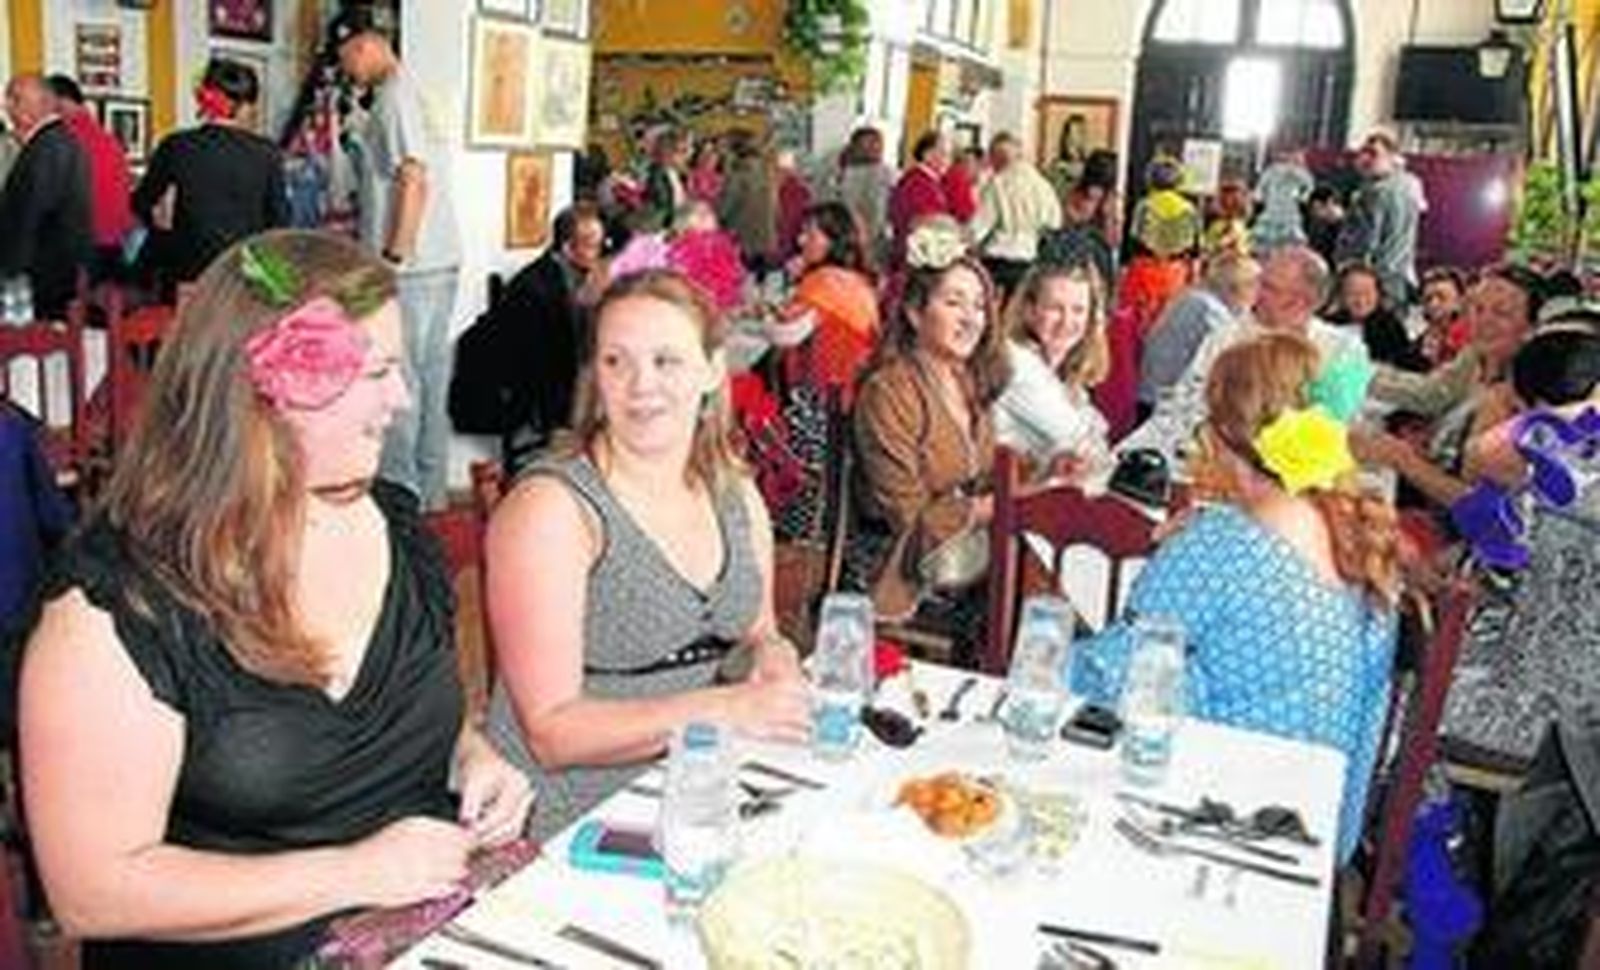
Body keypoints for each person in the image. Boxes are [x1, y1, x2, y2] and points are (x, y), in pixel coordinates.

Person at [19, 230, 533, 969]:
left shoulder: (397, 528)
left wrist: (473, 760)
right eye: (378, 370)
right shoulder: (117, 609)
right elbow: (92, 890)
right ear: (263, 391)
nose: (402, 397)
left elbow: (417, 720)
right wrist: (354, 872)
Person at [484, 269, 809, 840]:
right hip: (570, 822)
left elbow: (757, 633)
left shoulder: (734, 493)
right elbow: (552, 733)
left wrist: (772, 658)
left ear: (713, 369)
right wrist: (729, 709)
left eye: (666, 361)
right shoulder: (553, 509)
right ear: (594, 376)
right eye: (616, 361)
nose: (640, 385)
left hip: (702, 792)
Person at [1073, 332, 1400, 863]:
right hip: (1314, 826)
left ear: (1224, 437)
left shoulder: (1222, 546)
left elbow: (1109, 679)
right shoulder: (1350, 534)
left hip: (1222, 824)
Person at [1442, 317, 1600, 769]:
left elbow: (1482, 455)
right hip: (1574, 724)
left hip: (1525, 719)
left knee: (1404, 687)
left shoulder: (1524, 466)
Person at [852, 219, 1010, 658]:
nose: (971, 318)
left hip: (962, 545)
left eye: (979, 306)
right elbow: (908, 514)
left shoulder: (967, 380)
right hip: (900, 561)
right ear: (915, 312)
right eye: (954, 302)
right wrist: (995, 508)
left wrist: (1042, 478)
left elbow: (981, 476)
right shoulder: (890, 391)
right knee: (1040, 580)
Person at [333, 5, 463, 510]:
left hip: (410, 268)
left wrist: (392, 256)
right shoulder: (414, 92)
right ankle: (429, 498)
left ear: (363, 44)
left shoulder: (394, 97)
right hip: (440, 260)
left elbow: (413, 177)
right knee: (429, 381)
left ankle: (401, 503)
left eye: (346, 58)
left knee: (396, 384)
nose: (346, 70)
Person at [133, 57, 289, 298]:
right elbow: (279, 220)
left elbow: (140, 202)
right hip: (243, 276)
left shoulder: (177, 146)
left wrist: (164, 226)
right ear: (244, 106)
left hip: (188, 274)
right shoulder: (267, 153)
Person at [478, 201, 607, 468]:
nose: (600, 252)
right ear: (568, 247)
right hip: (537, 385)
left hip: (557, 372)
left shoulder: (574, 273)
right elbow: (552, 358)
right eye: (593, 245)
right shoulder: (537, 287)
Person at [992, 263, 1112, 483]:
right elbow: (1080, 439)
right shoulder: (1017, 362)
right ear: (1029, 311)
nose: (1067, 321)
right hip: (1000, 507)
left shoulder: (1059, 371)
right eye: (1055, 308)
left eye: (1078, 310)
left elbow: (1097, 440)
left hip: (1035, 496)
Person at [0, 73, 92, 321]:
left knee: (35, 349)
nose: (6, 106)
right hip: (57, 269)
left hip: (41, 274)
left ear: (39, 104)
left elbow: (28, 215)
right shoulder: (57, 140)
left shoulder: (46, 146)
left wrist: (9, 270)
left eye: (14, 99)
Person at [1138, 250, 1261, 419]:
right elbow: (1231, 360)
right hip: (1164, 407)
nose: (1260, 294)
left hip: (1160, 397)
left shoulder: (1197, 296)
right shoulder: (1208, 309)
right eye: (1256, 284)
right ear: (1238, 286)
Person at [45, 74, 133, 283]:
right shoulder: (109, 139)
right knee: (112, 288)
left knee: (74, 294)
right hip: (114, 234)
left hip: (82, 232)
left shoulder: (64, 137)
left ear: (62, 100)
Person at [972, 131, 1063, 302]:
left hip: (997, 261)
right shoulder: (1043, 185)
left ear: (999, 157)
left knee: (990, 314)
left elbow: (980, 226)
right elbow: (1054, 224)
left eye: (992, 159)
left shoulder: (998, 183)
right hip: (1027, 261)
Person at [1336, 131, 1419, 308]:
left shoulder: (1377, 192)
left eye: (1373, 153)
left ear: (1392, 157)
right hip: (1397, 277)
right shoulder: (1410, 185)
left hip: (1377, 279)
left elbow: (1368, 242)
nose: (1365, 159)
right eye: (1363, 152)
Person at [1327, 261, 1427, 371]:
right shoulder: (1328, 326)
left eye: (1367, 293)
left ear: (1378, 295)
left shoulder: (1390, 326)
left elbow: (1404, 363)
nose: (1361, 301)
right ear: (1341, 296)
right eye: (1353, 294)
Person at [888, 131, 953, 267]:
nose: (948, 160)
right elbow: (922, 221)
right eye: (943, 154)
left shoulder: (929, 181)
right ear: (927, 155)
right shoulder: (917, 182)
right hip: (917, 257)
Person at [836, 126, 896, 264]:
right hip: (864, 241)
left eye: (878, 144)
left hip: (856, 240)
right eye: (870, 144)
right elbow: (875, 213)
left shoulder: (848, 171)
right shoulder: (877, 173)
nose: (876, 148)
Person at [1252, 146, 1314, 253]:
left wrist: (1302, 197)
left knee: (1288, 239)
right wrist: (1260, 196)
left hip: (1289, 207)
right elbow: (1261, 186)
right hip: (1273, 205)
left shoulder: (1299, 172)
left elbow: (1309, 186)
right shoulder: (1271, 171)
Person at [1414, 266, 1469, 367]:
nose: (1434, 304)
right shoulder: (1418, 347)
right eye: (1428, 299)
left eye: (1442, 297)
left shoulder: (1476, 338)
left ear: (1460, 300)